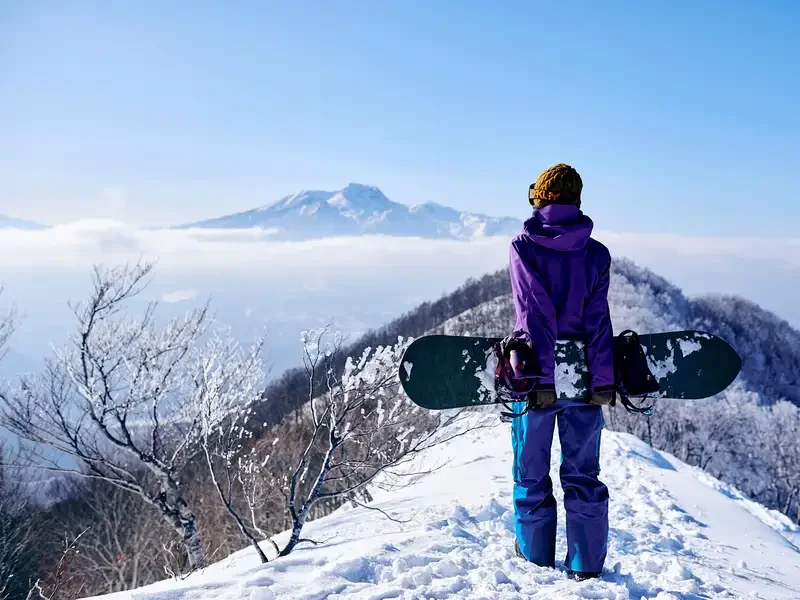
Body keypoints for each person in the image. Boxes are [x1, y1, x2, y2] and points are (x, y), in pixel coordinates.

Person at [508, 163, 615, 580]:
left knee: (531, 473)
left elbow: (535, 316)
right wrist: (603, 380)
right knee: (584, 475)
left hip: (538, 382)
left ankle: (536, 563)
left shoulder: (524, 247)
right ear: (576, 200)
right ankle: (586, 566)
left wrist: (543, 382)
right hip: (586, 381)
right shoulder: (596, 253)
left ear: (540, 198)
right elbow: (598, 320)